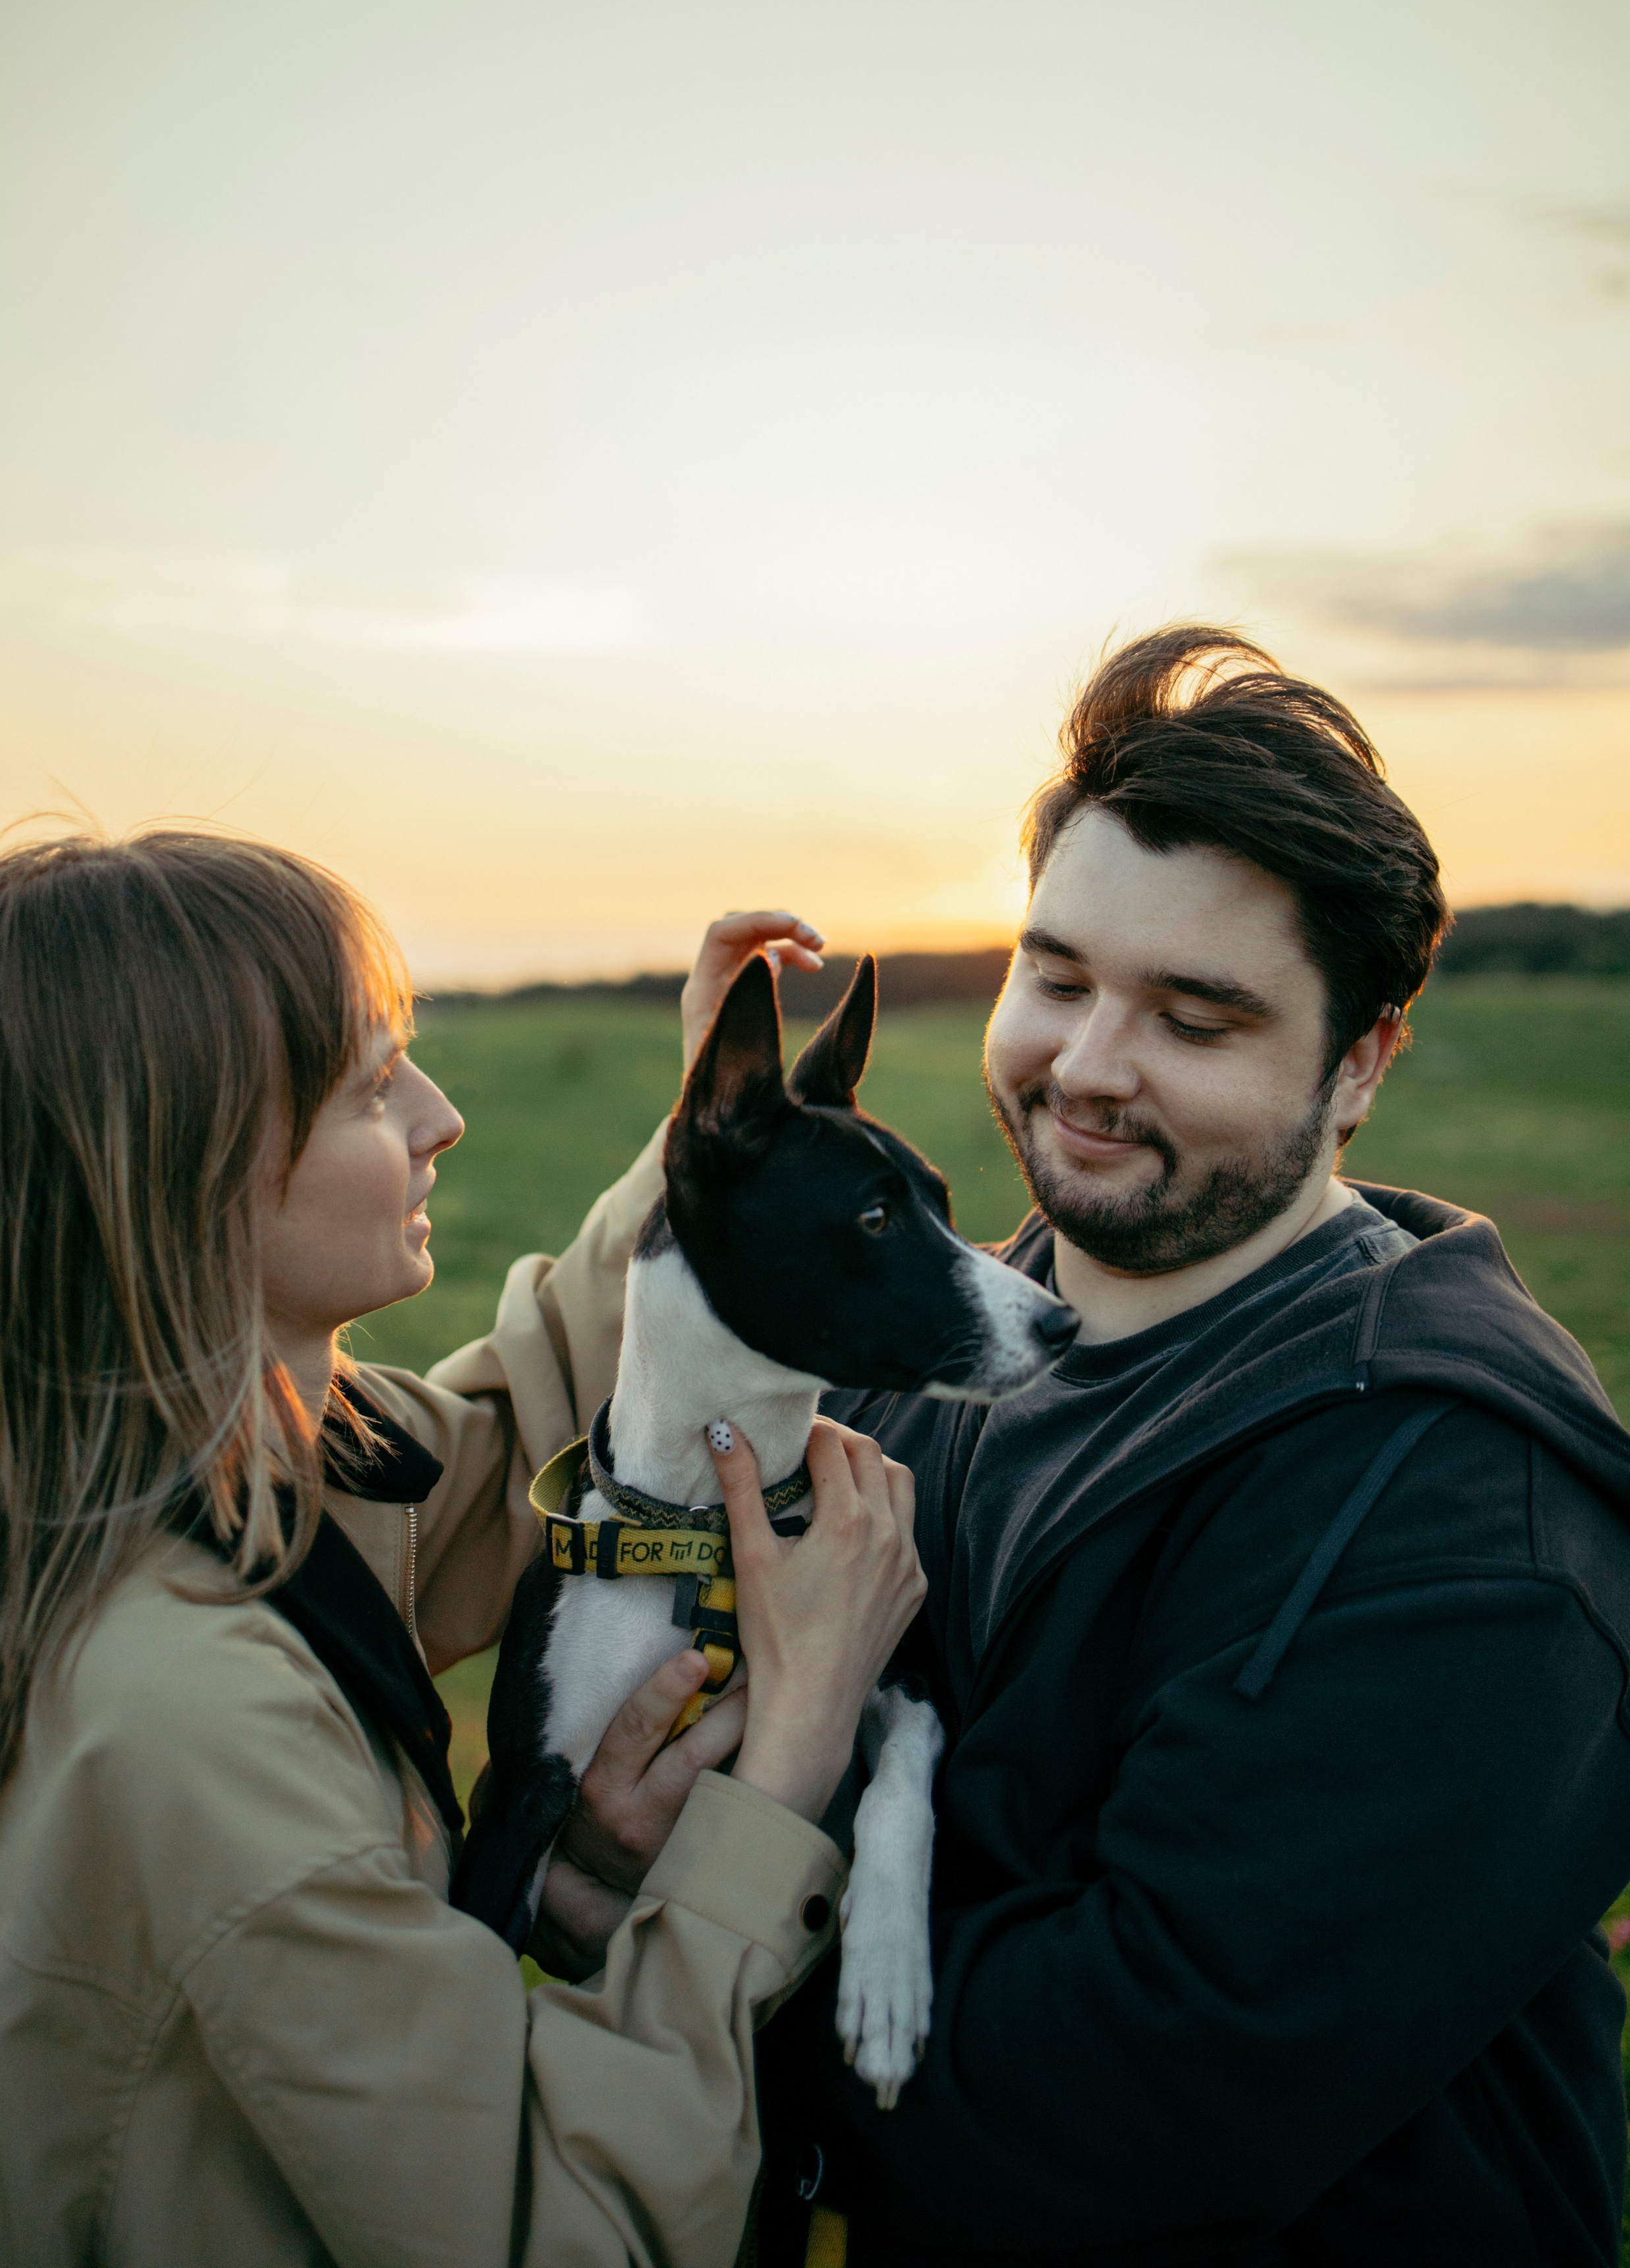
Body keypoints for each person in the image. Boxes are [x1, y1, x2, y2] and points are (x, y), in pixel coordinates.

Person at [580, 628, 1630, 2266]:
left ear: (1355, 1067)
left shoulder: (1465, 1522)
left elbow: (1113, 2132)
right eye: (1057, 977)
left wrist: (666, 1924)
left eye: (1193, 1021)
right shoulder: (898, 1369)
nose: (1082, 1067)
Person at [0, 833, 924, 2268]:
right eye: (370, 1085)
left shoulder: (184, 1478)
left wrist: (707, 1154)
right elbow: (558, 2234)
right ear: (187, 1168)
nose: (442, 1115)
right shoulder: (194, 1720)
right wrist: (783, 1773)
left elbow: (506, 1424)